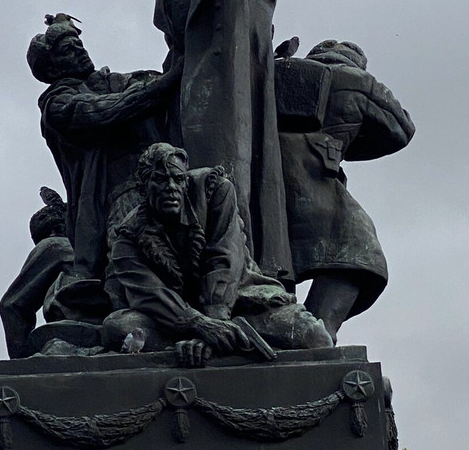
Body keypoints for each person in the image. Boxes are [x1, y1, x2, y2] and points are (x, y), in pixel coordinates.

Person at [153, 0, 335, 282]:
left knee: (225, 181)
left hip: (231, 94)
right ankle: (177, 276)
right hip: (177, 92)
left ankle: (234, 276)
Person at [105, 143, 332, 365]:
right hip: (175, 319)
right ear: (144, 186)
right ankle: (218, 349)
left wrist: (215, 324)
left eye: (178, 179)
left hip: (239, 303)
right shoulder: (128, 236)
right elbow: (150, 294)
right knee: (119, 328)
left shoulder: (214, 190)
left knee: (315, 337)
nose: (171, 187)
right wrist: (200, 326)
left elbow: (224, 260)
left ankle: (209, 348)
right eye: (161, 179)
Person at [28, 14, 182, 319]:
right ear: (52, 67)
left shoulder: (107, 82)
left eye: (78, 44)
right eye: (67, 49)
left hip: (167, 182)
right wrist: (162, 85)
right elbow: (109, 111)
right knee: (132, 264)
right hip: (117, 197)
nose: (79, 50)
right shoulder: (58, 105)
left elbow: (142, 84)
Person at [277, 40, 415, 341]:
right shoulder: (357, 80)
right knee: (357, 247)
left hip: (270, 169)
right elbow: (401, 129)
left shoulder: (278, 70)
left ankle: (299, 327)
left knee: (279, 255)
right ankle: (317, 327)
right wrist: (346, 145)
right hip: (312, 169)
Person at [0, 188, 72, 358]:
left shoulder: (55, 245)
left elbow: (12, 305)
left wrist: (20, 360)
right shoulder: (102, 247)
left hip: (68, 334)